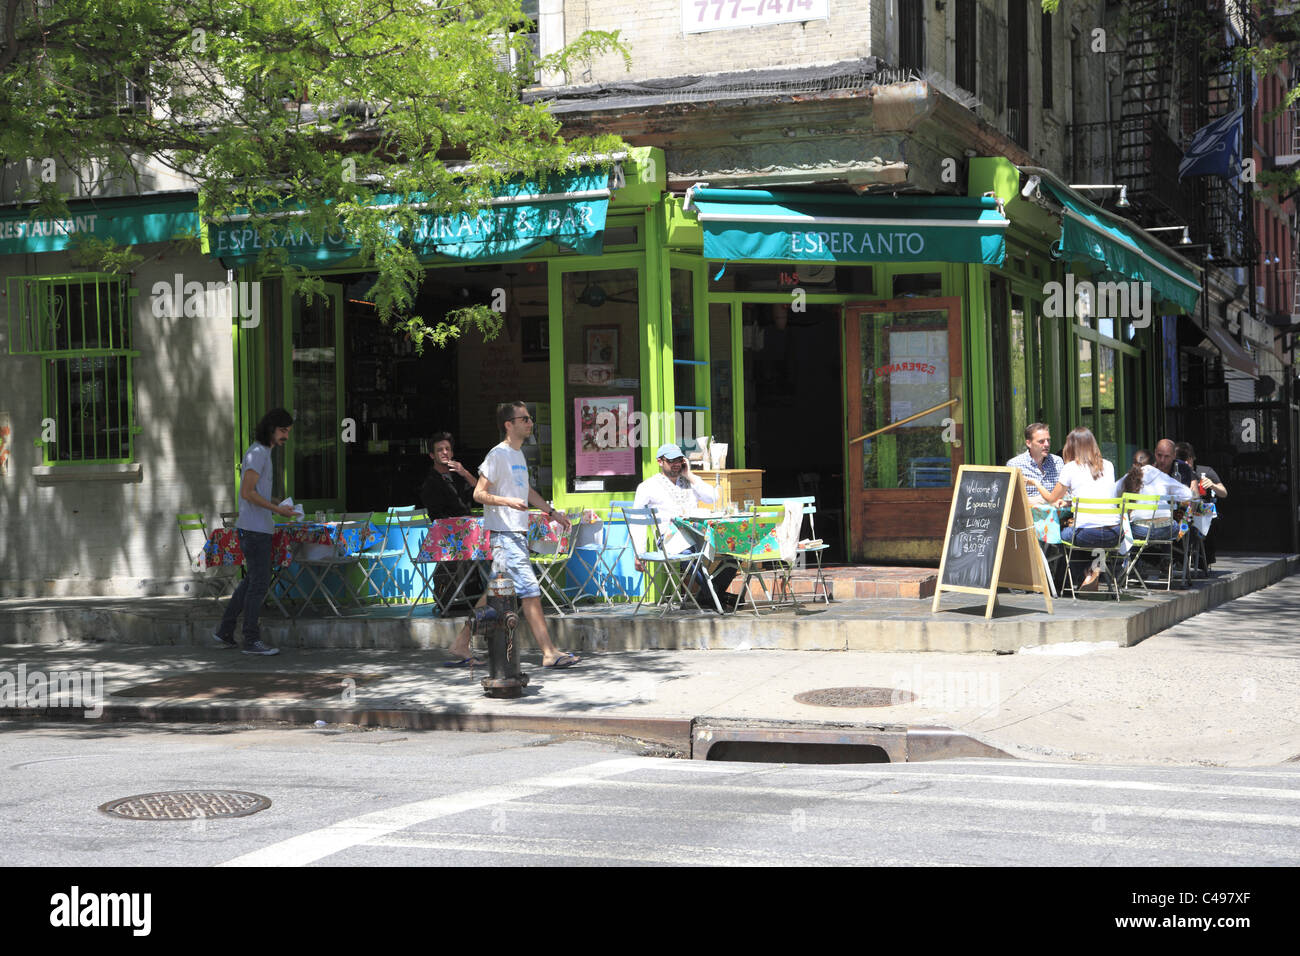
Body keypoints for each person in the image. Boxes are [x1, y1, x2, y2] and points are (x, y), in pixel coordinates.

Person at [444, 401, 580, 669]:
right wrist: (506, 501)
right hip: (504, 535)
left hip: (514, 534)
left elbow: (526, 491)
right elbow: (478, 493)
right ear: (509, 424)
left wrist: (552, 512)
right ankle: (549, 652)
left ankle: (460, 643)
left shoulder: (518, 455)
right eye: (525, 419)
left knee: (494, 593)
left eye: (529, 419)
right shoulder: (498, 455)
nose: (530, 423)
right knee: (529, 591)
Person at [212, 408, 297, 655]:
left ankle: (225, 631)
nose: (286, 436)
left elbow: (255, 491)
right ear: (271, 428)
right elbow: (246, 493)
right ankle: (251, 639)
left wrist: (276, 503)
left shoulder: (263, 453)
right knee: (258, 584)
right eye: (283, 431)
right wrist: (276, 509)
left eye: (288, 432)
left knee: (251, 581)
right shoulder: (258, 453)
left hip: (258, 529)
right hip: (255, 531)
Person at [632, 442, 734, 609]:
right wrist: (638, 552)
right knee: (689, 552)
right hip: (670, 539)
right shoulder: (648, 486)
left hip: (700, 535)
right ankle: (714, 596)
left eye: (679, 459)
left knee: (733, 552)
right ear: (660, 462)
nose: (676, 464)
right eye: (671, 460)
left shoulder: (689, 482)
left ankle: (708, 595)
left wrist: (690, 475)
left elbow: (713, 497)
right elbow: (638, 522)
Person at [1026, 427, 1119, 591]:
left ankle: (1082, 574)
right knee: (1090, 535)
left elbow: (1051, 499)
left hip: (1086, 533)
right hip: (1114, 534)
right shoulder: (1109, 465)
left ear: (1072, 446)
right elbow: (1095, 493)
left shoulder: (1070, 468)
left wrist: (1036, 483)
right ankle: (1094, 570)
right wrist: (1071, 504)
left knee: (1061, 536)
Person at [1115, 449, 1193, 542]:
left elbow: (1111, 493)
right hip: (1167, 530)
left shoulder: (1128, 478)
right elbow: (1188, 495)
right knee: (1174, 524)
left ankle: (1131, 554)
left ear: (1133, 464)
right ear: (1154, 464)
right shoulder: (1163, 477)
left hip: (1139, 531)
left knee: (1124, 526)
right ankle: (1166, 556)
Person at [1176, 441, 1226, 565]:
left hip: (1202, 511)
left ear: (1193, 458)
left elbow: (1224, 493)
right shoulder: (1174, 473)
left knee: (1213, 522)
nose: (1186, 464)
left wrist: (1212, 485)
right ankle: (1179, 556)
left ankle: (1203, 558)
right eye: (1182, 460)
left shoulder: (1205, 471)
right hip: (1180, 511)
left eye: (1188, 460)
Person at [420, 431, 476, 519]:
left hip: (468, 526)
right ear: (432, 455)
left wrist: (465, 473)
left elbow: (479, 491)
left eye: (447, 449)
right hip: (447, 529)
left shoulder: (459, 475)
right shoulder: (430, 482)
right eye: (440, 450)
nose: (445, 452)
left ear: (452, 453)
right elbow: (436, 515)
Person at [1005, 422, 1064, 499]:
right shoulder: (1015, 465)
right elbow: (1009, 500)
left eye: (1048, 440)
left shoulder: (1057, 462)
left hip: (1055, 510)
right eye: (1041, 441)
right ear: (1028, 443)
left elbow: (1066, 493)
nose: (1047, 444)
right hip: (1028, 510)